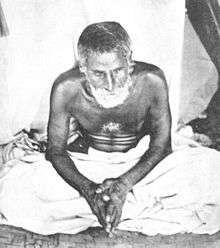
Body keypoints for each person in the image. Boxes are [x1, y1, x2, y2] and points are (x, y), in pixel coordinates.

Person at [46, 21, 172, 235]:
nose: (111, 84)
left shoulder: (153, 80)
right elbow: (56, 151)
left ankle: (110, 205)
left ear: (130, 61)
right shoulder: (65, 88)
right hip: (88, 165)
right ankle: (119, 205)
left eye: (118, 71)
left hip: (141, 167)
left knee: (211, 170)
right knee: (18, 186)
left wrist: (123, 185)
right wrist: (88, 189)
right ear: (83, 68)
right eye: (98, 74)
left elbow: (162, 146)